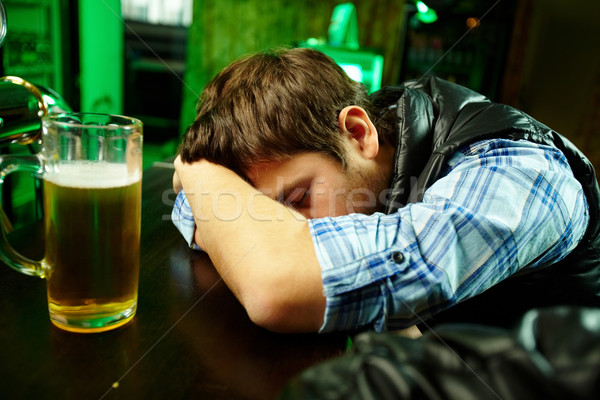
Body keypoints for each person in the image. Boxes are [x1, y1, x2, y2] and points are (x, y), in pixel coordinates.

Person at [172, 47, 600, 334]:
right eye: (262, 208)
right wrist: (207, 181)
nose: (282, 225)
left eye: (298, 198)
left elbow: (276, 288)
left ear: (358, 133)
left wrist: (191, 168)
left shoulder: (522, 173)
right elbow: (199, 205)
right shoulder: (375, 136)